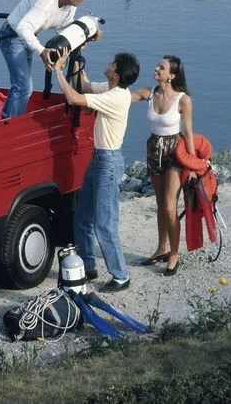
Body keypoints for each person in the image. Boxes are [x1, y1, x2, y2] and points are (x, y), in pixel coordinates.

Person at [53, 49, 140, 293]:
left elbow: (74, 98)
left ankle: (120, 275)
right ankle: (89, 266)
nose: (109, 63)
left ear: (117, 73)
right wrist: (74, 57)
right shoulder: (113, 90)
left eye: (113, 63)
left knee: (104, 222)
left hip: (108, 163)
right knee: (82, 216)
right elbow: (84, 85)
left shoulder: (117, 97)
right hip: (99, 159)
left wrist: (56, 70)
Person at [0, 0, 101, 118]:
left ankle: (12, 119)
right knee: (23, 87)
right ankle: (7, 125)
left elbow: (64, 25)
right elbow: (23, 27)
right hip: (13, 36)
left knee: (22, 86)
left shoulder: (70, 5)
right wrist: (41, 51)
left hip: (29, 37)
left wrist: (87, 34)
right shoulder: (47, 0)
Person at [131, 56, 194, 276]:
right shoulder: (149, 93)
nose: (157, 68)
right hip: (153, 150)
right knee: (159, 204)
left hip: (174, 152)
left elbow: (188, 133)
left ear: (172, 75)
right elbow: (121, 98)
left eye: (162, 67)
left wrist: (193, 166)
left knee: (169, 206)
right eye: (157, 65)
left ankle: (174, 253)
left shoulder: (183, 100)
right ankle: (161, 248)